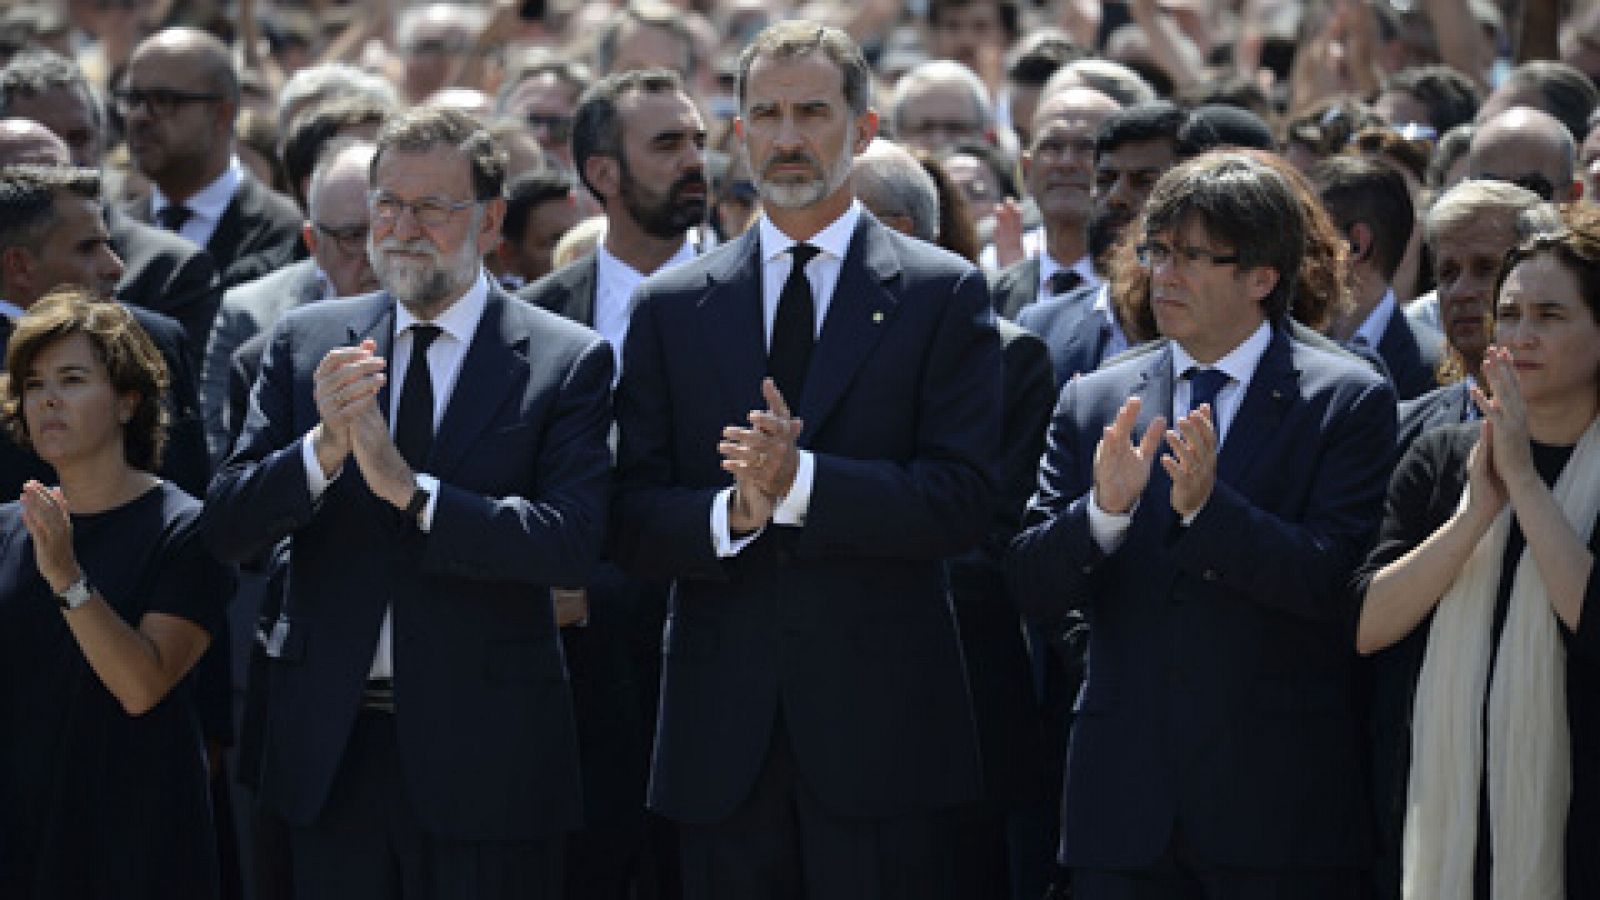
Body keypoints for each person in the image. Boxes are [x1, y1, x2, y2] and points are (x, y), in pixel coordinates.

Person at [611, 20, 1002, 899]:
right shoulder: (671, 306)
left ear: (863, 130)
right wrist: (732, 514)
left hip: (885, 746)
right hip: (722, 751)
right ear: (739, 132)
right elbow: (628, 516)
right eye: (767, 114)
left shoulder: (939, 293)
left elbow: (964, 500)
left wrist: (803, 485)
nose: (787, 137)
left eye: (812, 113)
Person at [202, 106, 614, 900]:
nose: (402, 228)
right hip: (328, 754)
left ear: (490, 222)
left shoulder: (564, 359)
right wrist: (321, 453)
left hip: (487, 760)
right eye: (388, 205)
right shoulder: (303, 343)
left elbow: (568, 543)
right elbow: (226, 529)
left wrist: (413, 493)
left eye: (432, 207)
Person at [1008, 150, 1395, 897]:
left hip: (1275, 812)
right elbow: (1030, 583)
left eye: (1192, 256)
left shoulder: (1345, 399)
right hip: (1122, 812)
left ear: (1262, 278)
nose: (1164, 275)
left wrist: (1211, 514)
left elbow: (1337, 585)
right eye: (1157, 252)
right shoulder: (1096, 399)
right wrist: (1102, 515)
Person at [1355, 206, 1600, 899]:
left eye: (1550, 316)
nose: (1520, 336)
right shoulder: (1441, 458)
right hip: (1440, 829)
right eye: (1510, 314)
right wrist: (1472, 516)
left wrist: (1525, 482)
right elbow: (1368, 625)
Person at [517, 65, 707, 900]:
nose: (695, 160)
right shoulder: (536, 314)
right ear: (603, 173)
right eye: (667, 144)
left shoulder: (757, 296)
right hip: (568, 692)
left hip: (708, 673)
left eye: (699, 140)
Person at [0, 288, 228, 898]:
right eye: (33, 384)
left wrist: (66, 577)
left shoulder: (186, 529)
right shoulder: (9, 527)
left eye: (72, 379)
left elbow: (141, 686)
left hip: (132, 841)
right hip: (22, 835)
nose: (48, 399)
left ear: (128, 401)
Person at [0, 48, 219, 357]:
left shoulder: (168, 273)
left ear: (103, 140)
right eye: (40, 144)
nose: (65, 160)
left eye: (79, 138)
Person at [119, 27, 302, 291]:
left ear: (222, 114)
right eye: (133, 99)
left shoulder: (287, 232)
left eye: (163, 100)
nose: (140, 116)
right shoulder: (112, 234)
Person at [1308, 155, 1446, 401]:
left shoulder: (1436, 371)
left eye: (1308, 234)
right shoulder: (1281, 346)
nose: (1288, 251)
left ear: (1356, 245)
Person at [990, 86, 1119, 318]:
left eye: (1086, 148)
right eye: (1051, 147)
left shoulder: (1147, 294)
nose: (1066, 162)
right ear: (1027, 171)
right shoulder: (994, 296)